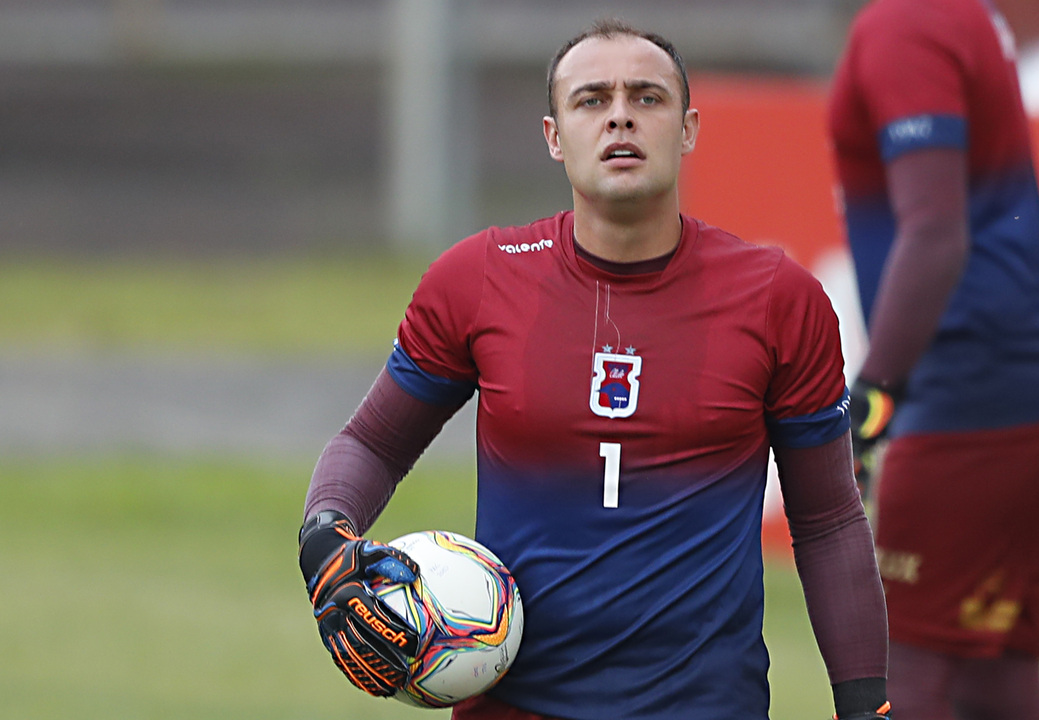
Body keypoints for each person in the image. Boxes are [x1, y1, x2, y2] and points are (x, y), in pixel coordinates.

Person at [298, 18, 891, 720]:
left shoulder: (778, 299)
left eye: (647, 97)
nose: (620, 116)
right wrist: (325, 539)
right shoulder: (477, 279)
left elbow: (827, 520)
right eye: (592, 100)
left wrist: (867, 707)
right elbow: (373, 443)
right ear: (554, 136)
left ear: (689, 129)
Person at [826, 1, 1039, 718]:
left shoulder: (905, 21)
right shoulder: (961, 14)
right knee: (993, 680)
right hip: (1037, 398)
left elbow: (936, 233)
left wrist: (868, 409)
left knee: (899, 672)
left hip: (967, 400)